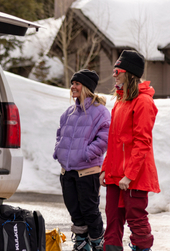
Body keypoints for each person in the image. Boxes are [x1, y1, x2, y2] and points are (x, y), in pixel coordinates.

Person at [99, 50, 160, 251]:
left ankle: (142, 248)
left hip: (134, 175)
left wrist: (129, 175)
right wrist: (105, 169)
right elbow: (114, 141)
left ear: (130, 73)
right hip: (115, 173)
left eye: (118, 70)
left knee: (136, 218)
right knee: (113, 218)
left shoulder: (143, 102)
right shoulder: (120, 101)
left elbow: (142, 142)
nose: (114, 74)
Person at [53, 69, 111, 251]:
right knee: (74, 210)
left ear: (86, 87)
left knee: (89, 210)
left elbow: (104, 139)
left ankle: (97, 242)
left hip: (87, 171)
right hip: (67, 171)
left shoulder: (100, 112)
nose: (73, 87)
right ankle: (81, 242)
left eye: (77, 84)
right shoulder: (68, 113)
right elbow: (59, 134)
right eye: (72, 83)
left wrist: (86, 153)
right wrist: (58, 151)